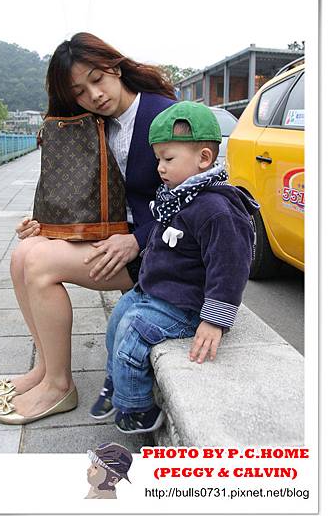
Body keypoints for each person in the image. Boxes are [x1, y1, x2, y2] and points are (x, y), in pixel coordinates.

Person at [0, 32, 176, 424]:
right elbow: (83, 198)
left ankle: (59, 387)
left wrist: (136, 240)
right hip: (120, 241)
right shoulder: (95, 125)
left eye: (97, 79)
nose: (94, 95)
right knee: (24, 255)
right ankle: (45, 369)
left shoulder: (163, 116)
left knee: (39, 264)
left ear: (115, 67)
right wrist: (44, 225)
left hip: (164, 252)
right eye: (79, 91)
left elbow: (197, 199)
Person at [90, 101, 259, 434]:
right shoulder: (179, 195)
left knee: (133, 330)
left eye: (168, 159)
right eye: (158, 160)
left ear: (204, 158)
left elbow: (230, 267)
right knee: (118, 317)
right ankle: (116, 378)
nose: (160, 168)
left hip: (186, 304)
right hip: (158, 290)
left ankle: (137, 409)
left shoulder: (217, 209)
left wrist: (214, 321)